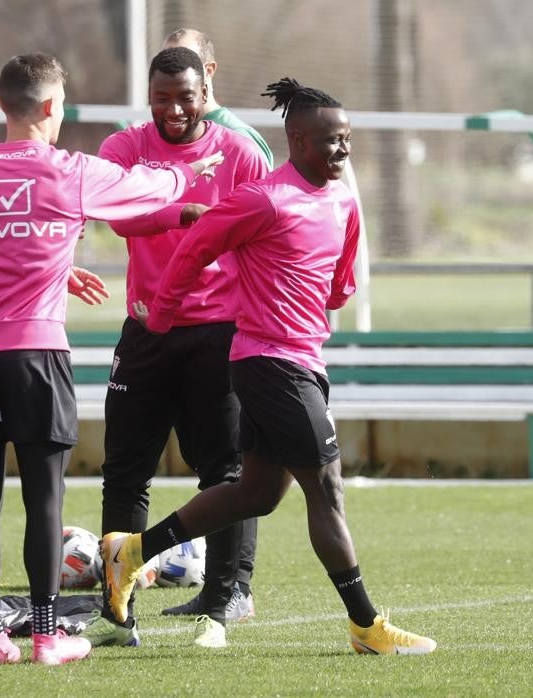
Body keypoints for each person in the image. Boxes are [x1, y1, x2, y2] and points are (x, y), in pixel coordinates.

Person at [102, 78, 436, 656]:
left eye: (348, 139)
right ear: (298, 140)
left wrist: (325, 287)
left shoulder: (343, 200)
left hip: (303, 359)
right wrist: (162, 313)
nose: (343, 150)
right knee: (326, 489)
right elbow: (197, 244)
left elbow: (340, 281)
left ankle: (129, 553)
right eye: (332, 140)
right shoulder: (264, 198)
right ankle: (365, 624)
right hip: (267, 362)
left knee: (255, 492)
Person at [0, 52, 222, 666]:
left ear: (1, 106)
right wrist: (188, 177)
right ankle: (45, 635)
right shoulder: (68, 171)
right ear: (51, 108)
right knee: (44, 496)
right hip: (34, 351)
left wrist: (55, 263)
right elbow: (155, 187)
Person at [83, 46, 271, 650]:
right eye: (161, 98)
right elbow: (117, 214)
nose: (173, 110)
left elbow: (267, 228)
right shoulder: (126, 148)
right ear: (149, 94)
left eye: (184, 97)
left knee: (225, 467)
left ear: (203, 91)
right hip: (146, 329)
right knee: (125, 469)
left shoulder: (240, 151)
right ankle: (118, 609)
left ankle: (225, 596)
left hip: (219, 329)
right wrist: (183, 213)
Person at [163, 28, 274, 166]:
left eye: (182, 63)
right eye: (165, 64)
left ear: (208, 70)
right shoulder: (157, 135)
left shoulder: (240, 139)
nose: (171, 73)